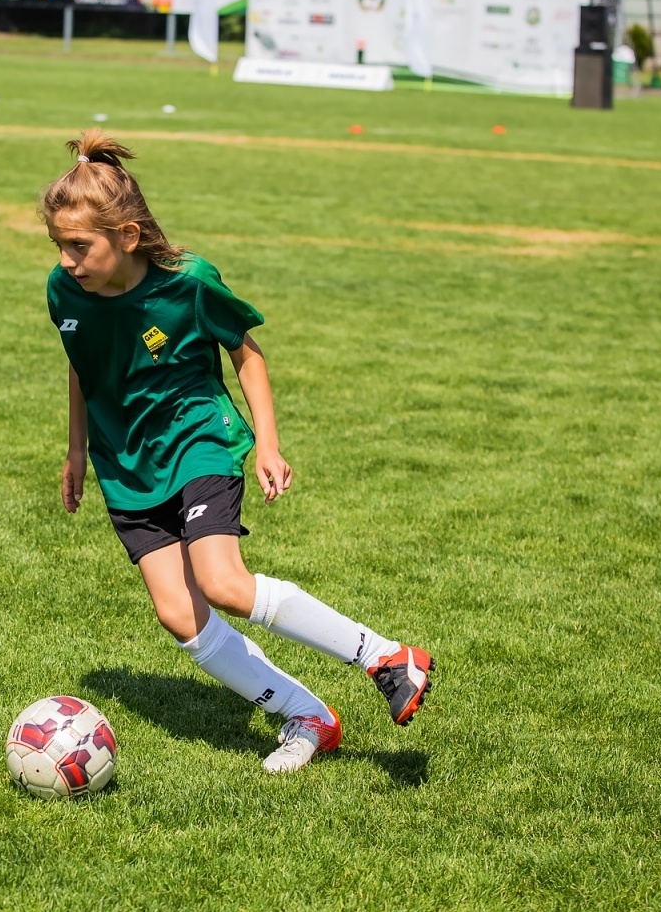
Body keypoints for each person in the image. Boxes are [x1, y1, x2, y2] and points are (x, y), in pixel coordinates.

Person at [44, 131, 435, 774]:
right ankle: (307, 715)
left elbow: (245, 353)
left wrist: (268, 444)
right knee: (180, 616)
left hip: (200, 439)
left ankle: (385, 657)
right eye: (58, 245)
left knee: (223, 583)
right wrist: (77, 450)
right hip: (126, 467)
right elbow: (81, 366)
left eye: (80, 246)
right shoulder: (64, 293)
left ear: (129, 237)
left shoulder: (189, 283)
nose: (66, 260)